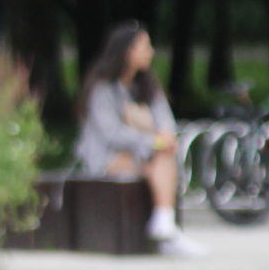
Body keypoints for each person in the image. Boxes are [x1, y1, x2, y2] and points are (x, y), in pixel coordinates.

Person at [75, 20, 205, 257]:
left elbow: (165, 120)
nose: (150, 52)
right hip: (106, 158)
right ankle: (166, 230)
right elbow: (111, 134)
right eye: (144, 47)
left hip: (144, 156)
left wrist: (165, 138)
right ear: (126, 51)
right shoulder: (102, 88)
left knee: (164, 157)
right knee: (161, 158)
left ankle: (165, 225)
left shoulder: (148, 85)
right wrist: (154, 142)